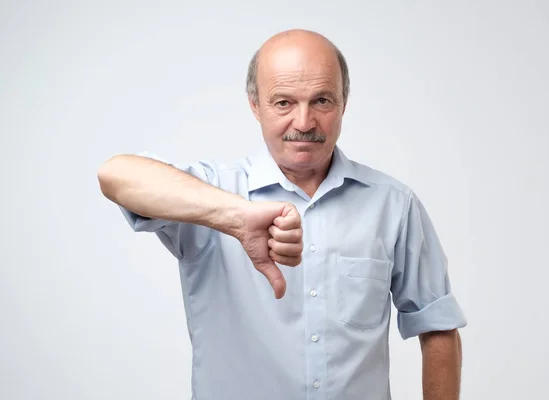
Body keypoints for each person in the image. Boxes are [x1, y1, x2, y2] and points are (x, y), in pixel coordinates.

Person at [98, 29, 467, 400]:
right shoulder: (210, 193)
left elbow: (437, 327)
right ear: (255, 105)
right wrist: (236, 216)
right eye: (283, 103)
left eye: (321, 101)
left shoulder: (394, 204)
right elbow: (116, 175)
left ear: (343, 102)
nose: (304, 123)